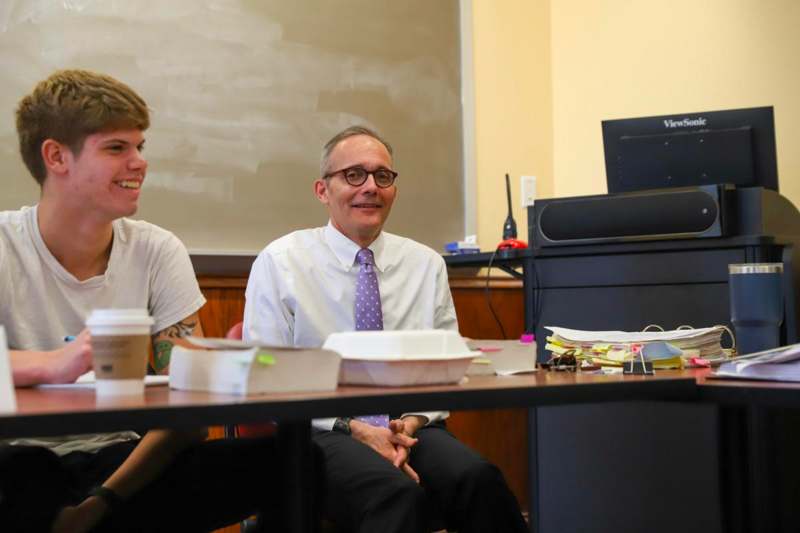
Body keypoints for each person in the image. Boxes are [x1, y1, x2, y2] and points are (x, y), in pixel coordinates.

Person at [0, 69, 285, 533]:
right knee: (27, 475)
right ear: (56, 156)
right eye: (116, 148)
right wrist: (54, 364)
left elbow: (187, 414)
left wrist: (100, 504)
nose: (139, 163)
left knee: (294, 460)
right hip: (17, 460)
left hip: (123, 466)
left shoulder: (157, 249)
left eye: (140, 147)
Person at [243, 125, 528, 533]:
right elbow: (264, 375)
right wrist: (355, 428)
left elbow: (445, 371)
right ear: (322, 190)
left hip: (406, 424)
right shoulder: (281, 262)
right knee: (394, 493)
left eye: (383, 176)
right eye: (353, 175)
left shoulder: (424, 264)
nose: (371, 187)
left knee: (478, 479)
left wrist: (408, 424)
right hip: (318, 429)